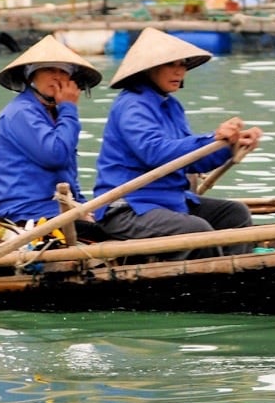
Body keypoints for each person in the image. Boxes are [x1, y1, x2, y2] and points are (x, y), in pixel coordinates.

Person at [91, 28, 262, 257]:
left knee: (235, 213)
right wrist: (213, 137)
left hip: (172, 201)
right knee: (195, 230)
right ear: (149, 68)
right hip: (129, 208)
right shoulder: (133, 106)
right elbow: (155, 152)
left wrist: (229, 145)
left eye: (182, 65)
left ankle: (235, 274)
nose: (179, 71)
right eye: (171, 65)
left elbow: (191, 160)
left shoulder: (172, 106)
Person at [0, 35, 105, 237]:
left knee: (104, 220)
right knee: (101, 232)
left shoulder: (55, 113)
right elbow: (55, 155)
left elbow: (68, 173)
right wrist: (69, 108)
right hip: (26, 212)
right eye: (50, 70)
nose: (57, 77)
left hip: (55, 209)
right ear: (32, 75)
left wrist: (84, 207)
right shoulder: (21, 112)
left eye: (63, 72)